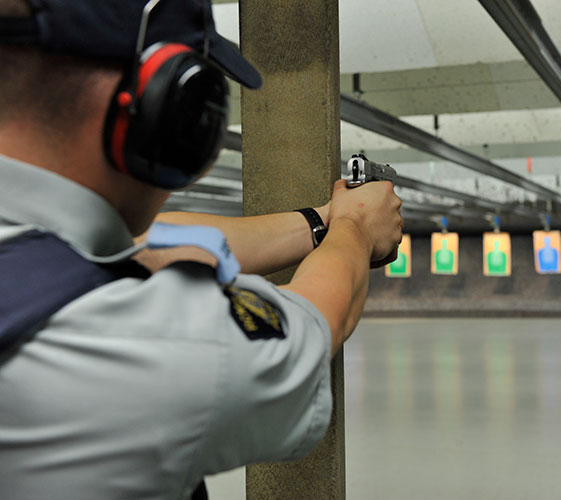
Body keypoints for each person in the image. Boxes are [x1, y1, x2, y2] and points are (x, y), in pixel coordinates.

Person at [0, 1, 403, 499]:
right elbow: (317, 324)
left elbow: (151, 245)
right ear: (156, 102)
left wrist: (322, 222)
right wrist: (358, 230)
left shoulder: (32, 259)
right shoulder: (107, 338)